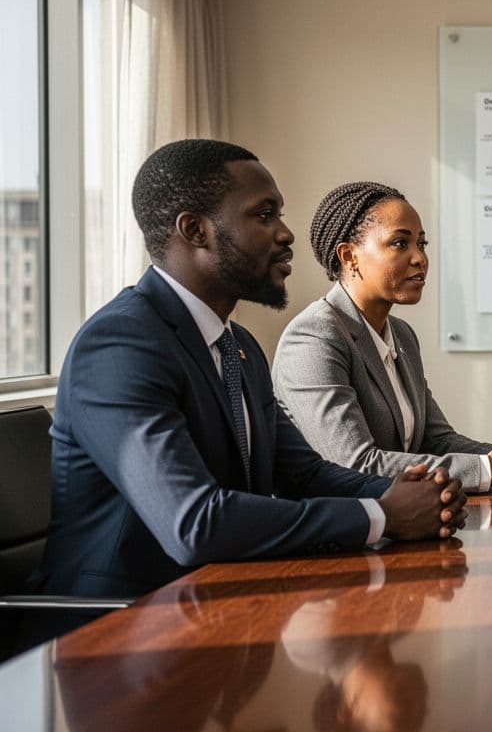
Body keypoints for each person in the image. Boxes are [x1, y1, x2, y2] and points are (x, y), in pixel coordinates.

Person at [32, 139, 466, 601]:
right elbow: (195, 522)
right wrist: (382, 515)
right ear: (196, 230)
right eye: (264, 215)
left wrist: (416, 493)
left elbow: (303, 474)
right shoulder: (120, 345)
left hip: (217, 604)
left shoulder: (238, 346)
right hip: (116, 630)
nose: (286, 233)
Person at [272, 181, 492, 492]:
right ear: (349, 256)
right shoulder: (314, 336)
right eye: (399, 243)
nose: (419, 258)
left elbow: (434, 440)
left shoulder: (402, 334)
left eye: (421, 244)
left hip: (402, 524)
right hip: (339, 531)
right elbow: (355, 464)